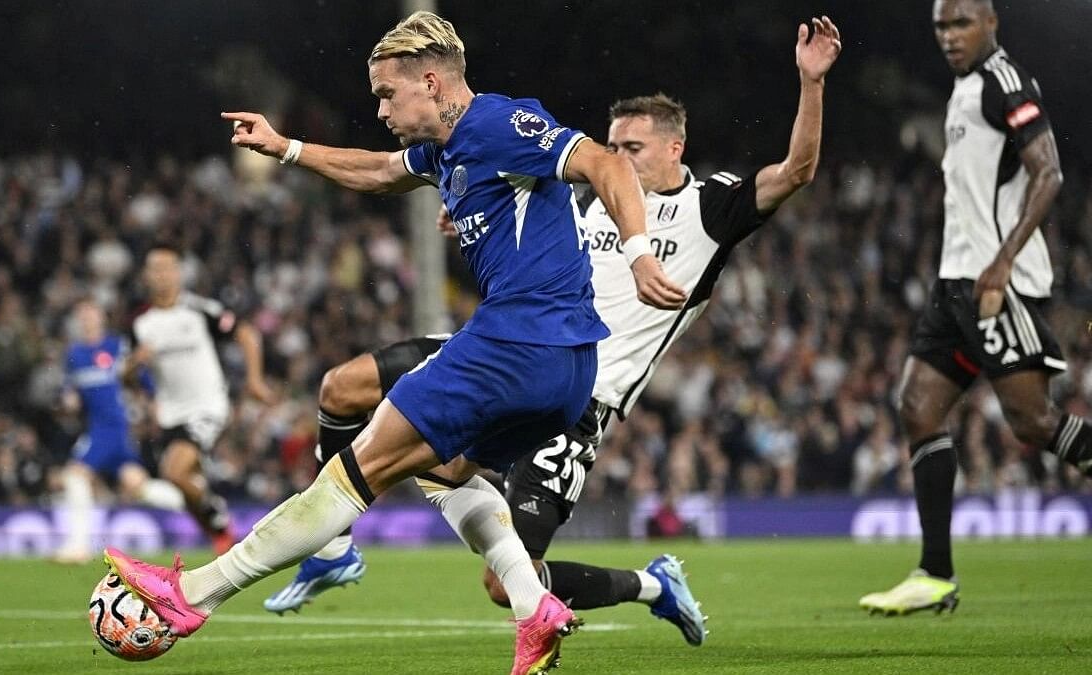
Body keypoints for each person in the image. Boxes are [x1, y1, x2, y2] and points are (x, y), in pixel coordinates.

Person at [103, 11, 684, 674]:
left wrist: (639, 253)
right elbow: (378, 171)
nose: (378, 108)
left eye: (386, 93)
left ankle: (192, 595)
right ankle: (534, 605)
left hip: (514, 343)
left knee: (353, 470)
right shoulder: (445, 151)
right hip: (568, 372)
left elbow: (604, 162)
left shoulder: (497, 123)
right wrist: (285, 147)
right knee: (442, 470)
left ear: (431, 82)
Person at [262, 17, 842, 648]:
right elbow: (480, 186)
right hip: (510, 346)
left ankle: (651, 586)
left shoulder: (711, 208)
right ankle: (334, 547)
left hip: (578, 393)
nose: (618, 158)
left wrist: (810, 84)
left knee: (500, 578)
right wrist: (466, 204)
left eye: (634, 149)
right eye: (613, 145)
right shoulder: (586, 196)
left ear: (676, 149)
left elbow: (797, 171)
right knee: (343, 388)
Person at [859, 0, 1085, 617]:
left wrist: (1004, 261)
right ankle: (935, 574)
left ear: (991, 24)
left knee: (1034, 424)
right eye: (940, 26)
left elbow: (1049, 173)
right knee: (917, 406)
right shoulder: (961, 93)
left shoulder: (1005, 82)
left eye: (961, 24)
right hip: (954, 283)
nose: (949, 37)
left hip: (997, 283)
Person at [129, 245, 275, 555]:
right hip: (170, 415)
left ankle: (218, 518)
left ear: (179, 273)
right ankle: (220, 534)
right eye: (155, 268)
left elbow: (246, 334)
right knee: (183, 485)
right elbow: (128, 379)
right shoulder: (141, 324)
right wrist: (133, 363)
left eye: (167, 268)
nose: (161, 275)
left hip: (207, 407)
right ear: (146, 275)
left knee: (174, 472)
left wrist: (254, 380)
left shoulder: (199, 310)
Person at [52, 299, 186, 564]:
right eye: (83, 316)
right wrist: (69, 401)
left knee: (74, 475)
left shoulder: (117, 346)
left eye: (91, 314)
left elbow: (143, 377)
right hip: (100, 426)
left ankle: (78, 547)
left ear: (102, 317)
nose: (87, 320)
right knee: (137, 485)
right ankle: (198, 507)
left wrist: (155, 404)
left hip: (111, 426)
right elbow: (71, 394)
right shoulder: (75, 355)